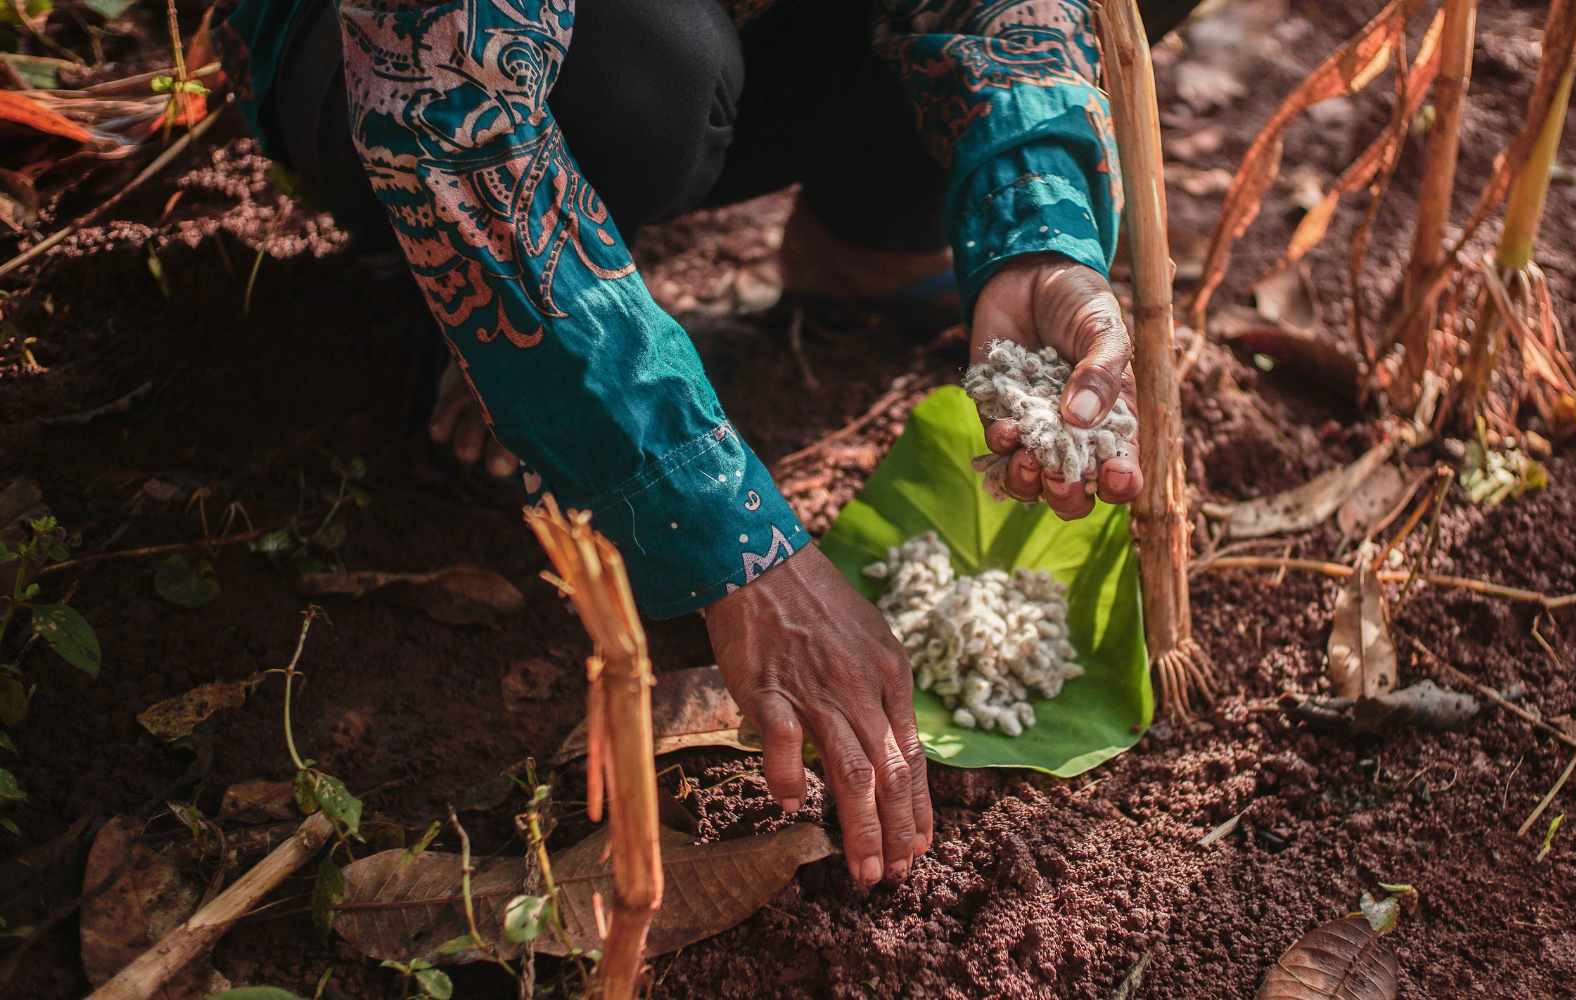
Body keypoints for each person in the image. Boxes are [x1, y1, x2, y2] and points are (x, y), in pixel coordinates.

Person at [210, 0, 1198, 887]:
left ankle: (872, 231)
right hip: (409, 66)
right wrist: (740, 550)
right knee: (642, 64)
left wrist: (1031, 224)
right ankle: (500, 319)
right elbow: (449, 102)